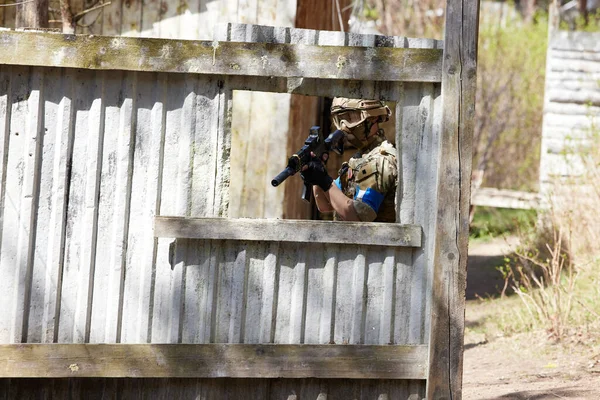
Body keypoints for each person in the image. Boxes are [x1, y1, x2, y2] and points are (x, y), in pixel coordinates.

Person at [301, 97, 398, 222]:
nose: (344, 126)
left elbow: (357, 219)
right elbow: (325, 205)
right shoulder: (360, 158)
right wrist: (317, 175)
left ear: (373, 117)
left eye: (351, 118)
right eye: (340, 119)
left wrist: (324, 180)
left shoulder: (381, 161)